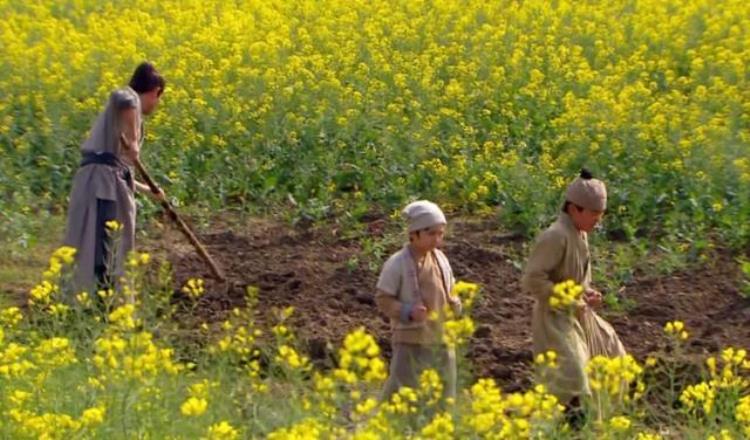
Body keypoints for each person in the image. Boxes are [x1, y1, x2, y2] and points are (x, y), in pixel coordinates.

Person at [521, 169, 626, 424]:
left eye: (600, 215)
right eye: (593, 214)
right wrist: (567, 297)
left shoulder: (581, 235)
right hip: (555, 319)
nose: (597, 221)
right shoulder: (555, 236)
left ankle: (594, 424)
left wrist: (586, 293)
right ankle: (569, 427)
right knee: (574, 377)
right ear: (574, 209)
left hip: (580, 314)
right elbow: (532, 280)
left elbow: (578, 281)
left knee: (614, 356)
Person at [64, 62, 166, 293]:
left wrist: (147, 190)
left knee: (112, 246)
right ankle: (97, 303)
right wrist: (133, 140)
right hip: (100, 185)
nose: (157, 105)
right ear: (155, 92)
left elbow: (120, 168)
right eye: (158, 99)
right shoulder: (127, 98)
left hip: (110, 182)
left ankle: (104, 301)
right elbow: (123, 99)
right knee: (103, 245)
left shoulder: (129, 113)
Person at [375, 200, 462, 402]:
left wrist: (455, 303)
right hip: (411, 338)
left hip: (441, 335)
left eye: (440, 234)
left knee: (444, 389)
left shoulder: (441, 259)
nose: (437, 239)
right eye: (431, 234)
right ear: (414, 235)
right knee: (401, 389)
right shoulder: (397, 263)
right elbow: (383, 299)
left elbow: (450, 288)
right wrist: (407, 311)